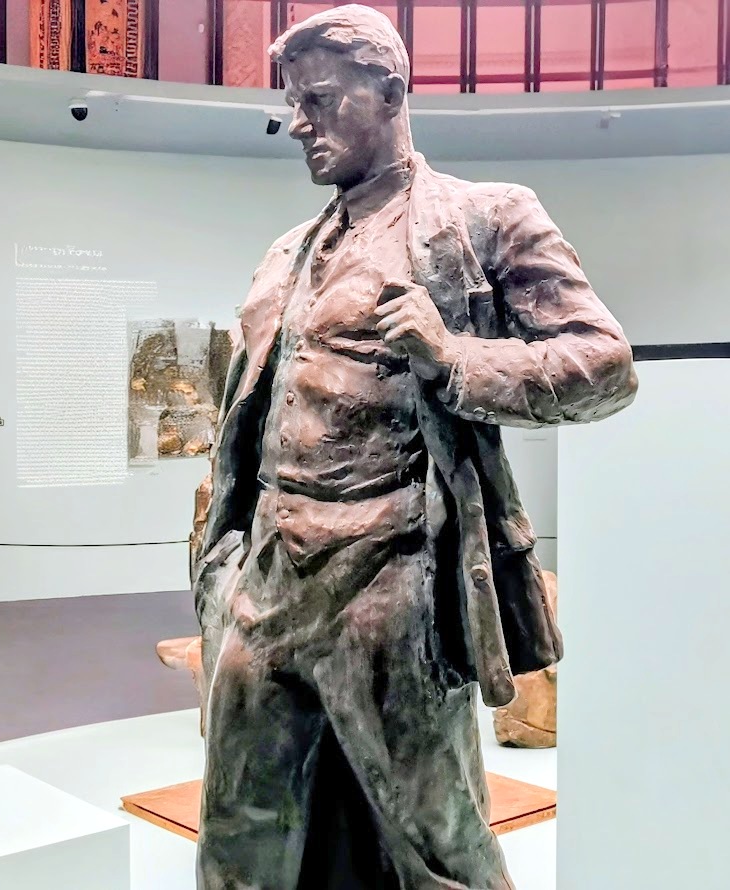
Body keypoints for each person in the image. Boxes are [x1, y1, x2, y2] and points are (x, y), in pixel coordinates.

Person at [192, 6, 637, 888]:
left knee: (432, 842)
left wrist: (454, 356)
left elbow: (605, 364)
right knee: (239, 833)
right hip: (269, 580)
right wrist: (224, 570)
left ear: (391, 92)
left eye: (320, 100)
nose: (299, 123)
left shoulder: (484, 217)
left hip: (394, 576)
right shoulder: (286, 253)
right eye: (292, 104)